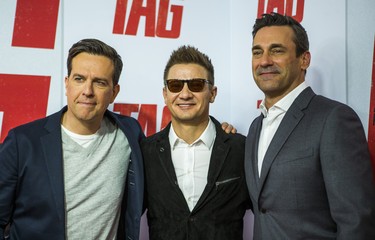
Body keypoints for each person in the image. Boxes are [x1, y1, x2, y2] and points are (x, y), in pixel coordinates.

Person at [245, 12, 375, 239]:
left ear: (304, 59)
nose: (264, 60)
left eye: (276, 50)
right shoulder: (255, 127)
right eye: (258, 52)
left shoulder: (334, 119)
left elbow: (356, 221)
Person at [0, 38, 145, 240]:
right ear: (67, 84)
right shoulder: (22, 142)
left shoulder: (129, 133)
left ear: (114, 92)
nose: (87, 91)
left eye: (100, 82)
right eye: (79, 79)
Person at [141, 45, 251, 240]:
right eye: (175, 85)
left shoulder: (241, 149)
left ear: (213, 93)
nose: (185, 94)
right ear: (165, 94)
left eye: (196, 85)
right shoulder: (145, 152)